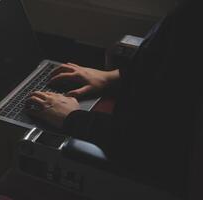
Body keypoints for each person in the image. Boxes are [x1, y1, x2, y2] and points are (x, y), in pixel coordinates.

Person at [26, 0, 202, 198]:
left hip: (152, 173)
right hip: (137, 129)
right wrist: (111, 78)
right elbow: (176, 77)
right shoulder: (192, 14)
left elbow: (150, 143)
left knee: (18, 169)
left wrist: (73, 118)